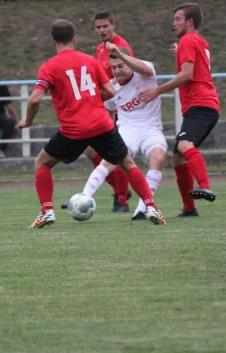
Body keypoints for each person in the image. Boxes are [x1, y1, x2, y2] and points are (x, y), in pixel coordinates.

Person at [16, 19, 165, 228]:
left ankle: (47, 211)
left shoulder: (48, 67)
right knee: (127, 163)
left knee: (42, 163)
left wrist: (28, 121)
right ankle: (151, 207)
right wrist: (91, 102)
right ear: (74, 39)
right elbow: (111, 91)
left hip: (73, 129)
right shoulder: (90, 60)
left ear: (53, 42)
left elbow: (34, 99)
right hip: (101, 124)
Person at [140, 3, 220, 217]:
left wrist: (158, 90)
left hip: (201, 104)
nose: (173, 23)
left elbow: (187, 75)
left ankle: (204, 185)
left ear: (190, 21)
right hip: (203, 105)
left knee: (185, 145)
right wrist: (180, 51)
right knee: (177, 157)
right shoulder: (198, 41)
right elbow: (197, 63)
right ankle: (189, 208)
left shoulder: (187, 40)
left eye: (177, 19)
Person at [81, 43, 168, 221]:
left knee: (158, 157)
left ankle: (142, 210)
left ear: (129, 62)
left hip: (151, 129)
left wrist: (120, 53)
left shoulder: (146, 73)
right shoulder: (112, 87)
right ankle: (83, 197)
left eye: (121, 66)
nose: (117, 71)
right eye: (113, 68)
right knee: (110, 160)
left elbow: (144, 68)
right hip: (127, 130)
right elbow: (109, 111)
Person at [62, 11, 134, 213]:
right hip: (105, 107)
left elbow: (127, 76)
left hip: (119, 108)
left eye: (105, 26)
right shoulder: (99, 49)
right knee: (92, 150)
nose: (102, 30)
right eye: (98, 27)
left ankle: (122, 200)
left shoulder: (122, 47)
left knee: (115, 155)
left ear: (113, 25)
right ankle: (120, 190)